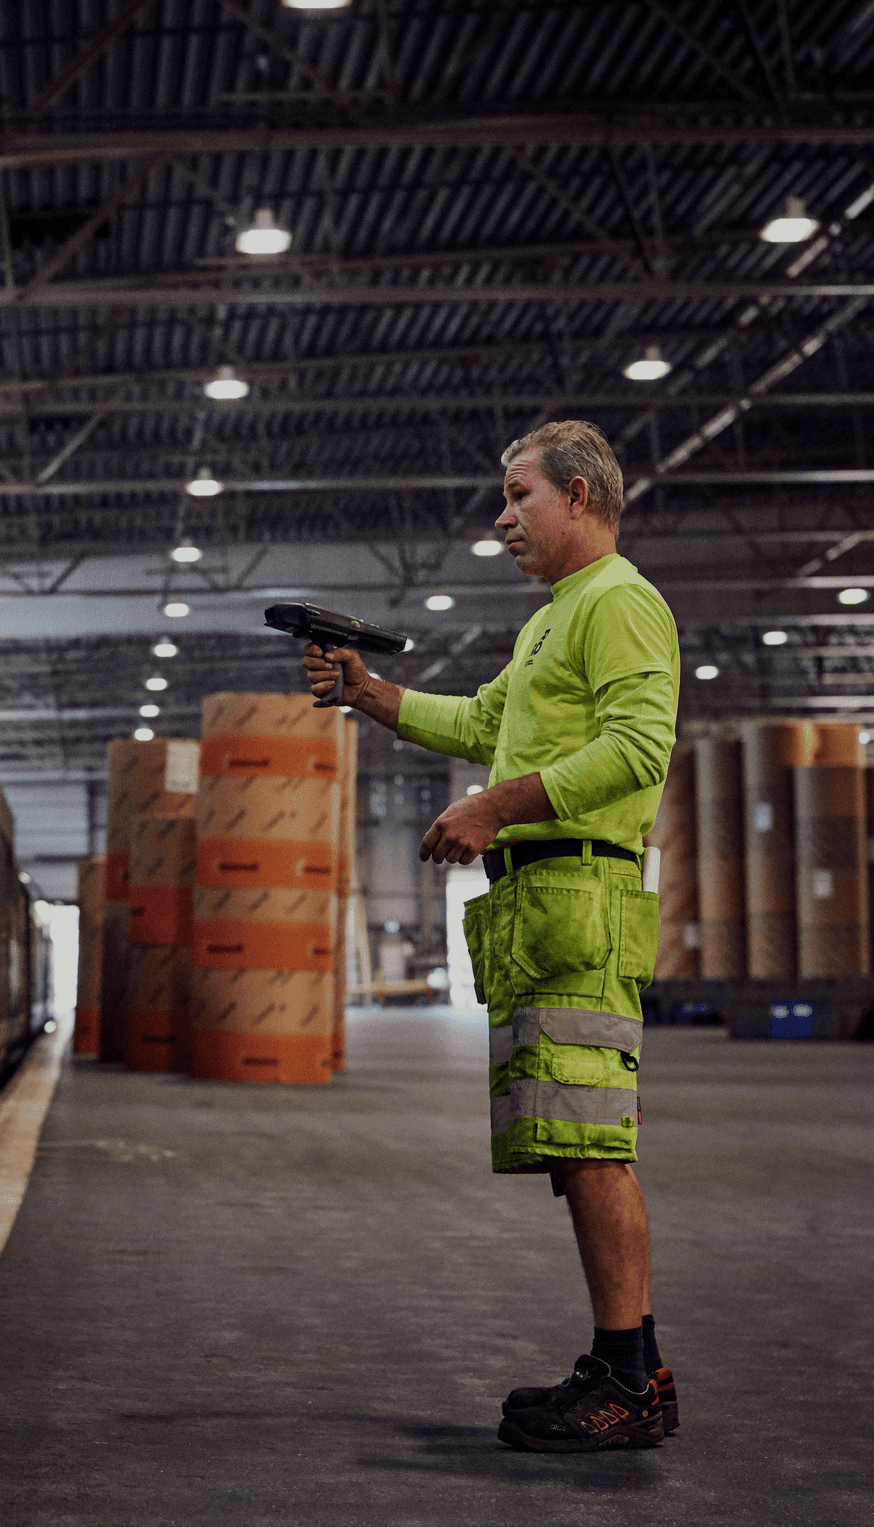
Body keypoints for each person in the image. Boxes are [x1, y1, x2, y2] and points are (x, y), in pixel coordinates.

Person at [300, 420, 679, 1454]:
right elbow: (479, 723)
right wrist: (369, 693)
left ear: (582, 498)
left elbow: (640, 747)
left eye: (519, 497)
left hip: (578, 901)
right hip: (541, 906)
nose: (502, 518)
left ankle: (634, 1382)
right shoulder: (555, 620)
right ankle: (617, 1360)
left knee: (594, 1145)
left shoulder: (618, 604)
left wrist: (498, 807)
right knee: (571, 1143)